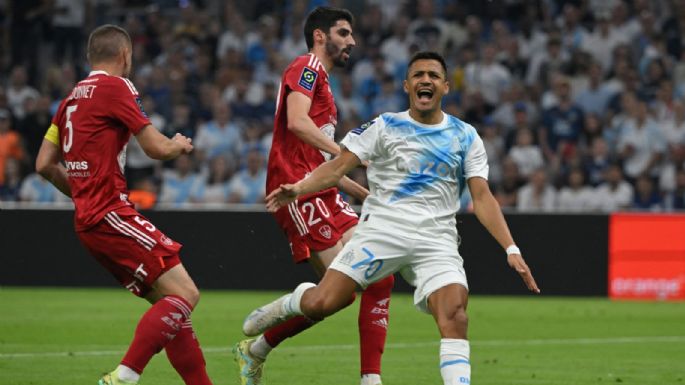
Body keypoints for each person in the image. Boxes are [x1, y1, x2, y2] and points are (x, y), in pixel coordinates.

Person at [244, 51, 540, 384]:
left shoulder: (466, 136)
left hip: (436, 240)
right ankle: (296, 300)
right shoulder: (384, 126)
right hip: (381, 233)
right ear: (406, 86)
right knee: (322, 304)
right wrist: (298, 188)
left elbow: (482, 198)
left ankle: (375, 376)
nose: (424, 80)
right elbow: (337, 167)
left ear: (444, 86)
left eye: (432, 75)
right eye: (417, 75)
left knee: (455, 314)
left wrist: (511, 249)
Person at [35, 24, 213, 385]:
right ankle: (124, 376)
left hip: (89, 220)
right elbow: (156, 148)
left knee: (174, 310)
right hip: (111, 213)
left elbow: (43, 164)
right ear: (125, 55)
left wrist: (83, 193)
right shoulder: (117, 86)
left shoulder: (69, 99)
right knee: (186, 294)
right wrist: (178, 144)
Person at [233, 7, 395, 385]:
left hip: (323, 190)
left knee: (377, 274)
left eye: (351, 34)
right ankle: (282, 313)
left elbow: (320, 157)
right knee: (340, 291)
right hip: (297, 191)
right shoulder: (307, 67)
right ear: (320, 36)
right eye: (343, 32)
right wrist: (347, 156)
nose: (351, 41)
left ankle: (368, 378)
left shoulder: (324, 82)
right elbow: (297, 122)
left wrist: (356, 186)